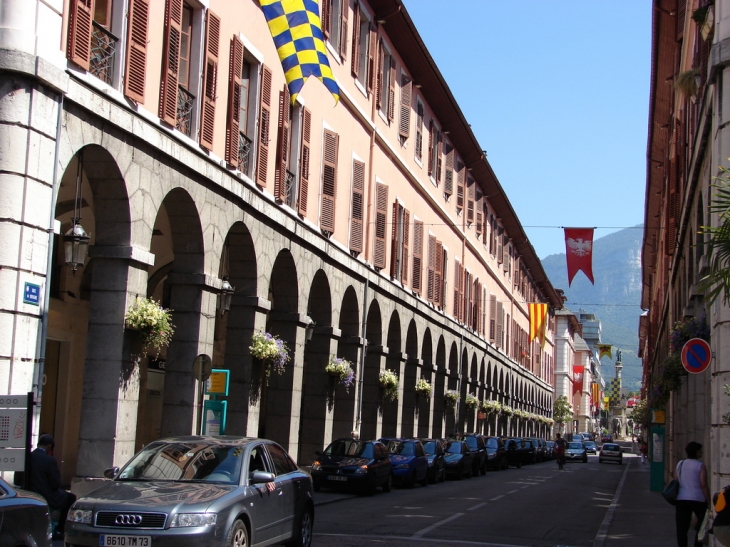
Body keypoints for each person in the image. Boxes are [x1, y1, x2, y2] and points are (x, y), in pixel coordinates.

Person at [28, 434, 76, 540]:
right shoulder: (49, 460)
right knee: (71, 498)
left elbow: (17, 479)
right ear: (49, 446)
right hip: (46, 494)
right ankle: (59, 530)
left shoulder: (27, 457)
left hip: (29, 492)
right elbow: (55, 483)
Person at [675, 441, 711, 547]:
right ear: (696, 452)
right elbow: (704, 485)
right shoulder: (700, 466)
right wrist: (708, 501)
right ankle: (697, 545)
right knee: (700, 527)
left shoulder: (680, 464)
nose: (702, 453)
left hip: (682, 498)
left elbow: (677, 479)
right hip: (698, 499)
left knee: (682, 528)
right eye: (700, 450)